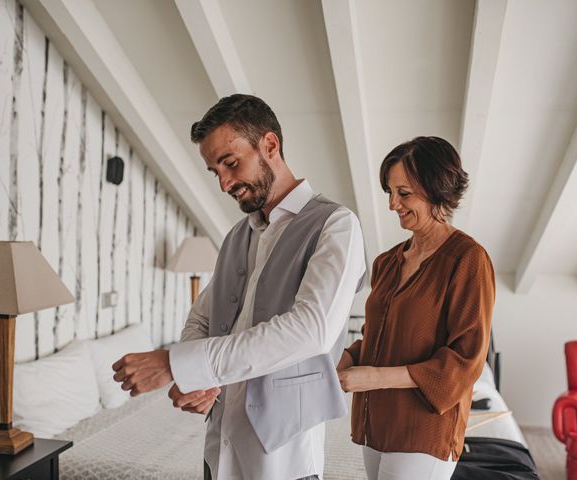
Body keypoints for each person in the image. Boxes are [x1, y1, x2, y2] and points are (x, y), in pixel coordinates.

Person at [113, 94, 366, 480]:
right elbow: (202, 317)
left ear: (270, 145)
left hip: (284, 458)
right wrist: (196, 379)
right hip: (219, 449)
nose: (225, 183)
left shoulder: (336, 225)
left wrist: (174, 363)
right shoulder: (236, 236)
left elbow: (311, 331)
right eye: (215, 171)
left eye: (230, 163)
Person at [337, 136, 495, 480]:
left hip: (424, 428)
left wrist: (375, 378)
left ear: (437, 189)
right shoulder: (386, 262)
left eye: (404, 193)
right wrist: (349, 358)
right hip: (374, 420)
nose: (393, 204)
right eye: (390, 193)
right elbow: (378, 338)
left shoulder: (468, 260)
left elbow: (465, 361)